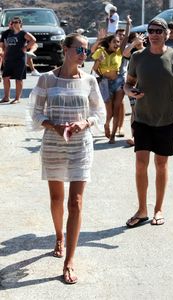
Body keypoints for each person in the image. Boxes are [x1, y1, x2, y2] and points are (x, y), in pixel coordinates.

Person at [28, 33, 105, 284]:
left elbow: (98, 112)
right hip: (53, 143)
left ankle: (69, 260)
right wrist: (55, 126)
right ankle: (59, 236)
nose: (84, 55)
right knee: (57, 198)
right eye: (80, 50)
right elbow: (36, 113)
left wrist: (84, 123)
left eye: (86, 51)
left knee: (76, 202)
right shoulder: (47, 79)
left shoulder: (90, 81)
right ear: (66, 49)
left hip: (81, 145)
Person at [124, 18, 173, 227]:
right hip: (142, 118)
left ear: (166, 33)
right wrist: (131, 92)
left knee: (161, 164)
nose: (154, 34)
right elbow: (127, 84)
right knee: (140, 164)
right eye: (151, 30)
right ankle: (142, 209)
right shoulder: (137, 57)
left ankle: (158, 209)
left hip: (166, 118)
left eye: (158, 31)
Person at [92, 16, 131, 144]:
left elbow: (125, 38)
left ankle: (113, 135)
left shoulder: (119, 52)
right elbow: (95, 68)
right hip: (105, 83)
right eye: (114, 42)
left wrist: (128, 24)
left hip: (118, 82)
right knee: (108, 112)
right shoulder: (100, 51)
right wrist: (101, 70)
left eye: (118, 42)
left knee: (116, 108)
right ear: (108, 43)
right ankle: (106, 125)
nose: (117, 44)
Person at [0, 16, 36, 104]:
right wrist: (4, 56)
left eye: (16, 22)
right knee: (5, 77)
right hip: (9, 58)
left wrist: (26, 47)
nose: (14, 24)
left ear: (20, 24)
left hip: (19, 58)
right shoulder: (10, 33)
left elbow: (33, 40)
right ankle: (6, 97)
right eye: (13, 23)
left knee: (18, 79)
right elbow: (7, 46)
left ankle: (17, 98)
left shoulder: (23, 33)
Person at [123, 32, 146, 146]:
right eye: (134, 38)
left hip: (147, 86)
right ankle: (135, 136)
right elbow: (124, 53)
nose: (138, 39)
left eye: (139, 37)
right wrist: (133, 44)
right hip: (133, 85)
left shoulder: (150, 50)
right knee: (134, 111)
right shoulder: (132, 52)